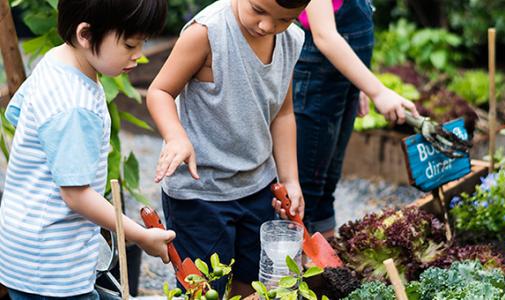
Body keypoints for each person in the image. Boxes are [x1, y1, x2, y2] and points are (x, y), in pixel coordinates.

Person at [0, 0, 174, 298]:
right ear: (86, 34)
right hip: (52, 264)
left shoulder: (56, 61)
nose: (138, 55)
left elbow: (18, 114)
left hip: (27, 247)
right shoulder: (75, 106)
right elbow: (76, 195)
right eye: (131, 44)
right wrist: (141, 237)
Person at [146, 0, 308, 296]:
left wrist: (291, 179)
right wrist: (176, 136)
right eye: (258, 11)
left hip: (259, 187)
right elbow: (160, 91)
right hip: (200, 194)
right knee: (205, 288)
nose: (267, 26)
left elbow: (284, 113)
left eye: (284, 19)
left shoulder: (292, 39)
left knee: (253, 279)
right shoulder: (207, 32)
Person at [287, 0, 419, 237]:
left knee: (327, 182)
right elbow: (324, 35)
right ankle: (297, 265)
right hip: (317, 78)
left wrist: (356, 83)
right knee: (307, 187)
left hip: (339, 76)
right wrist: (377, 91)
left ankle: (326, 264)